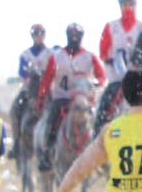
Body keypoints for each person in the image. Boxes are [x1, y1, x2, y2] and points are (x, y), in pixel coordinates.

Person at [36, 23, 107, 171]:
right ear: (67, 36)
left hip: (83, 99)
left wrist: (95, 82)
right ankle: (47, 151)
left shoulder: (89, 57)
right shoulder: (56, 56)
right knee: (52, 118)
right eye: (71, 36)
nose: (74, 39)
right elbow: (47, 79)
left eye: (77, 36)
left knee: (98, 119)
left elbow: (101, 76)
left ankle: (100, 153)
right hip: (63, 97)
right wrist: (42, 97)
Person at [95, 0, 142, 132]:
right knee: (105, 103)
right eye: (125, 4)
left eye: (131, 4)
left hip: (137, 78)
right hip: (117, 78)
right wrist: (110, 60)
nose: (128, 8)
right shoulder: (111, 27)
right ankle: (97, 134)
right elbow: (103, 51)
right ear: (120, 6)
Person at [9, 24, 52, 158]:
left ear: (44, 35)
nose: (38, 36)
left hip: (46, 91)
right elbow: (22, 74)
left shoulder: (51, 54)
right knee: (14, 110)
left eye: (41, 33)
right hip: (29, 90)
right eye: (35, 34)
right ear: (32, 36)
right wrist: (32, 80)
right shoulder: (25, 55)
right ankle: (16, 142)